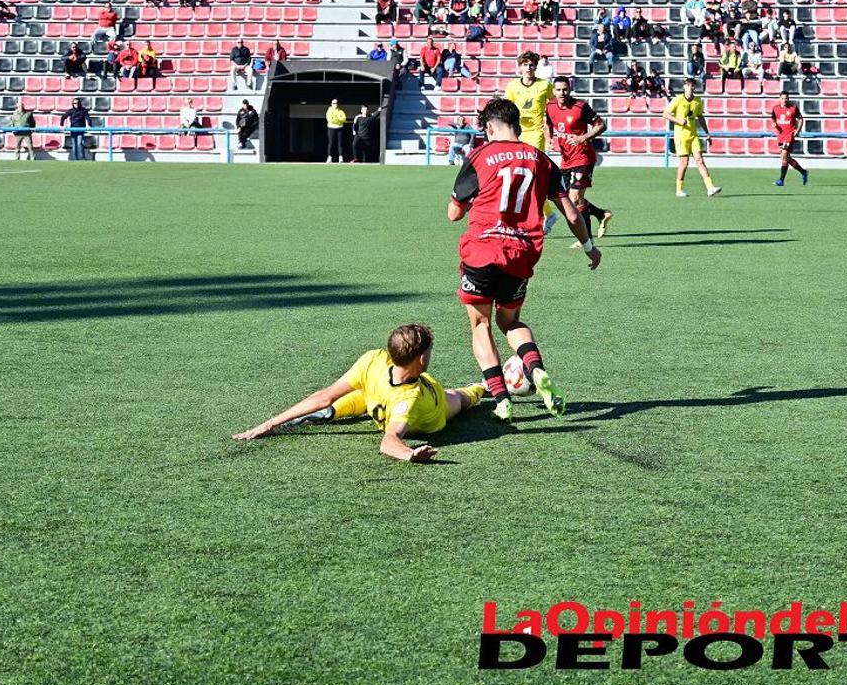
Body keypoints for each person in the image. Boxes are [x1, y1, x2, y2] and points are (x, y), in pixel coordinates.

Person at [447, 98, 601, 423]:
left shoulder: (480, 156)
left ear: (489, 127)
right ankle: (537, 371)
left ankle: (501, 399)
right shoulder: (542, 161)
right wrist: (589, 246)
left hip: (483, 249)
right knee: (510, 322)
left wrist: (477, 198)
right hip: (521, 254)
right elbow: (571, 212)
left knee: (480, 324)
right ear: (518, 125)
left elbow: (453, 214)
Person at [233, 324, 485, 463]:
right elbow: (389, 441)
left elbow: (324, 395)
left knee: (340, 402)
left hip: (387, 397)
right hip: (433, 403)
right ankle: (483, 386)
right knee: (462, 398)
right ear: (421, 359)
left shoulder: (373, 360)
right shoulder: (410, 396)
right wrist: (410, 454)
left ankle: (329, 414)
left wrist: (269, 423)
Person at [546, 76, 612, 244]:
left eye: (565, 89)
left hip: (583, 158)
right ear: (554, 91)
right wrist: (549, 138)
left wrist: (584, 137)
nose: (562, 93)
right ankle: (601, 214)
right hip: (566, 160)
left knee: (574, 199)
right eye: (559, 90)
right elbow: (548, 124)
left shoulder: (580, 107)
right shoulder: (550, 106)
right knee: (571, 199)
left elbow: (601, 125)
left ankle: (587, 240)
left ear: (570, 89)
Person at [503, 51, 559, 234]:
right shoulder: (512, 86)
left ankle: (537, 217)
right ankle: (547, 214)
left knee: (532, 177)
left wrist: (551, 127)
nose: (528, 68)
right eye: (525, 64)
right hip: (517, 134)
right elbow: (507, 110)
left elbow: (555, 106)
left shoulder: (544, 86)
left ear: (536, 67)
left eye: (531, 64)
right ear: (520, 67)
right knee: (517, 177)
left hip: (536, 134)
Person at [663, 78, 721, 198]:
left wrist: (707, 132)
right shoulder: (677, 99)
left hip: (693, 135)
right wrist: (678, 121)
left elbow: (700, 117)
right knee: (684, 163)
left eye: (692, 86)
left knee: (700, 160)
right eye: (688, 85)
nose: (690, 88)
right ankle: (679, 189)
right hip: (681, 136)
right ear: (684, 87)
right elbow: (665, 114)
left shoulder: (698, 101)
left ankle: (710, 187)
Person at [771, 92, 808, 186]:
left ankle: (781, 180)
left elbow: (800, 119)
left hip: (789, 135)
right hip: (780, 135)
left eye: (786, 98)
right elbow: (773, 118)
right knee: (786, 158)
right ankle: (803, 172)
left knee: (784, 154)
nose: (784, 100)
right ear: (780, 98)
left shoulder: (793, 108)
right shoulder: (775, 108)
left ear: (788, 99)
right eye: (783, 98)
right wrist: (774, 124)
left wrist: (798, 130)